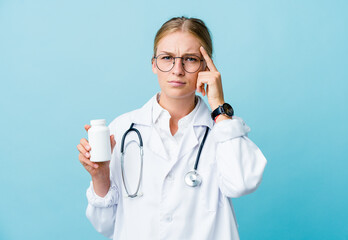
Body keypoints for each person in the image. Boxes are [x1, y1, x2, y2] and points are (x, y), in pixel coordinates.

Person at [77, 16, 267, 240]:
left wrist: (219, 107)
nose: (177, 69)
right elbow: (105, 226)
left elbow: (242, 184)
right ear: (153, 64)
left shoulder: (223, 132)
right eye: (167, 58)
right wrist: (100, 177)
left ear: (206, 67)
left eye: (190, 59)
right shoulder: (122, 130)